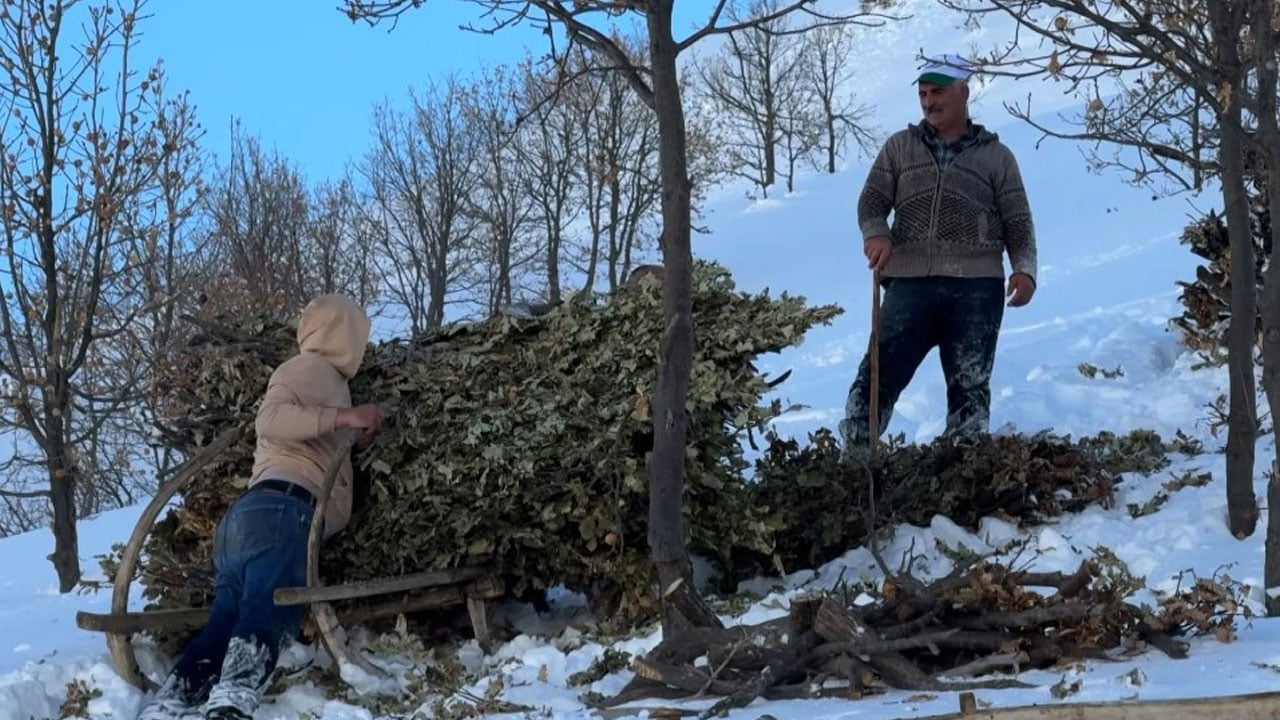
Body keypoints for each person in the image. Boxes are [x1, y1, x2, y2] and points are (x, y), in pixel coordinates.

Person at [138, 294, 386, 720]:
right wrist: (343, 419)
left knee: (226, 619)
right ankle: (232, 700)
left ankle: (174, 699)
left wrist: (350, 431)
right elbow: (270, 420)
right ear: (342, 334)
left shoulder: (326, 381)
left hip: (250, 518)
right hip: (282, 513)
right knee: (265, 611)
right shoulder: (307, 368)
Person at [838, 54, 1037, 459]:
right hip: (909, 283)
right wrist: (876, 234)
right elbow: (872, 200)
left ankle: (962, 470)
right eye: (923, 94)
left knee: (970, 385)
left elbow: (1018, 220)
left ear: (964, 92)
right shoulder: (900, 147)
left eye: (938, 92)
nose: (929, 102)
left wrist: (1025, 270)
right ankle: (855, 466)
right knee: (877, 375)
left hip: (977, 288)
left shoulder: (997, 158)